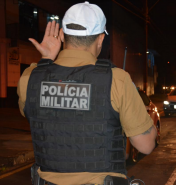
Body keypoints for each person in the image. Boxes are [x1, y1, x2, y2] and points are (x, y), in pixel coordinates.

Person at [17, 2, 157, 185]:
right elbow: (145, 146)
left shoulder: (30, 78)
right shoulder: (117, 80)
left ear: (61, 35)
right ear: (100, 39)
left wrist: (47, 59)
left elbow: (37, 114)